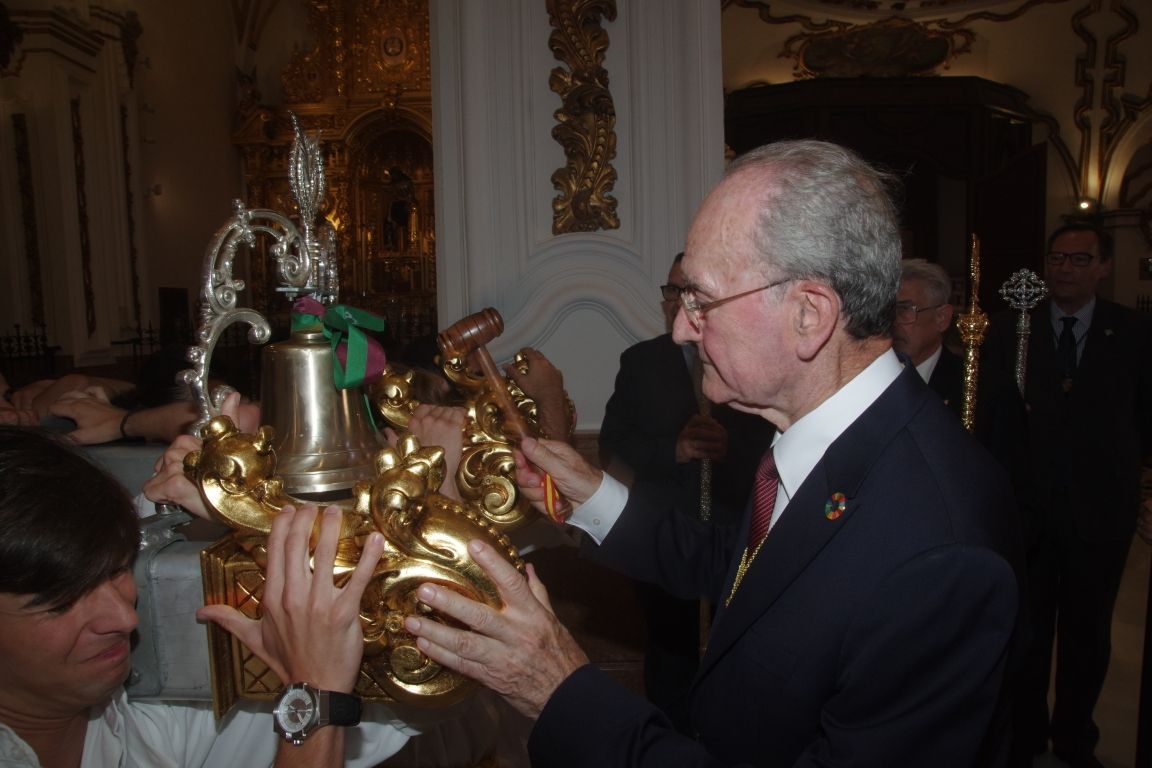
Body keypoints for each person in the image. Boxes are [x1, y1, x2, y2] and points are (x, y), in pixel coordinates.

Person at [401, 139, 1022, 767]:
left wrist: (559, 689)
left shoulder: (941, 554)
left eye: (702, 300)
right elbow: (747, 569)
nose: (679, 326)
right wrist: (591, 494)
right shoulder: (822, 433)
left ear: (810, 314)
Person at [0, 424, 413, 767]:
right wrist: (315, 697)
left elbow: (393, 713)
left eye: (115, 572)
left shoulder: (145, 710)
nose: (124, 619)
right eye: (61, 603)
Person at [980, 221, 1152, 768]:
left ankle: (1076, 738)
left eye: (1081, 259)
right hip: (1027, 510)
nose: (1066, 269)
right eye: (1057, 258)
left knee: (1088, 634)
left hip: (1101, 511)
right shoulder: (1008, 330)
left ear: (1104, 266)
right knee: (1026, 630)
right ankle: (1025, 738)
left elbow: (1145, 418)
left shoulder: (1132, 331)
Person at [598, 252, 773, 731]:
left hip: (736, 529)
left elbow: (778, 443)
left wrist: (729, 447)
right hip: (664, 530)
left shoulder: (751, 356)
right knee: (670, 654)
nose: (678, 301)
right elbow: (614, 443)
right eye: (672, 291)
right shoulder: (641, 361)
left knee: (736, 655)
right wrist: (672, 450)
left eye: (690, 292)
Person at [892, 258, 963, 415]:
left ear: (941, 318)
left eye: (904, 310)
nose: (893, 322)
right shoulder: (869, 380)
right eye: (887, 311)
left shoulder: (983, 390)